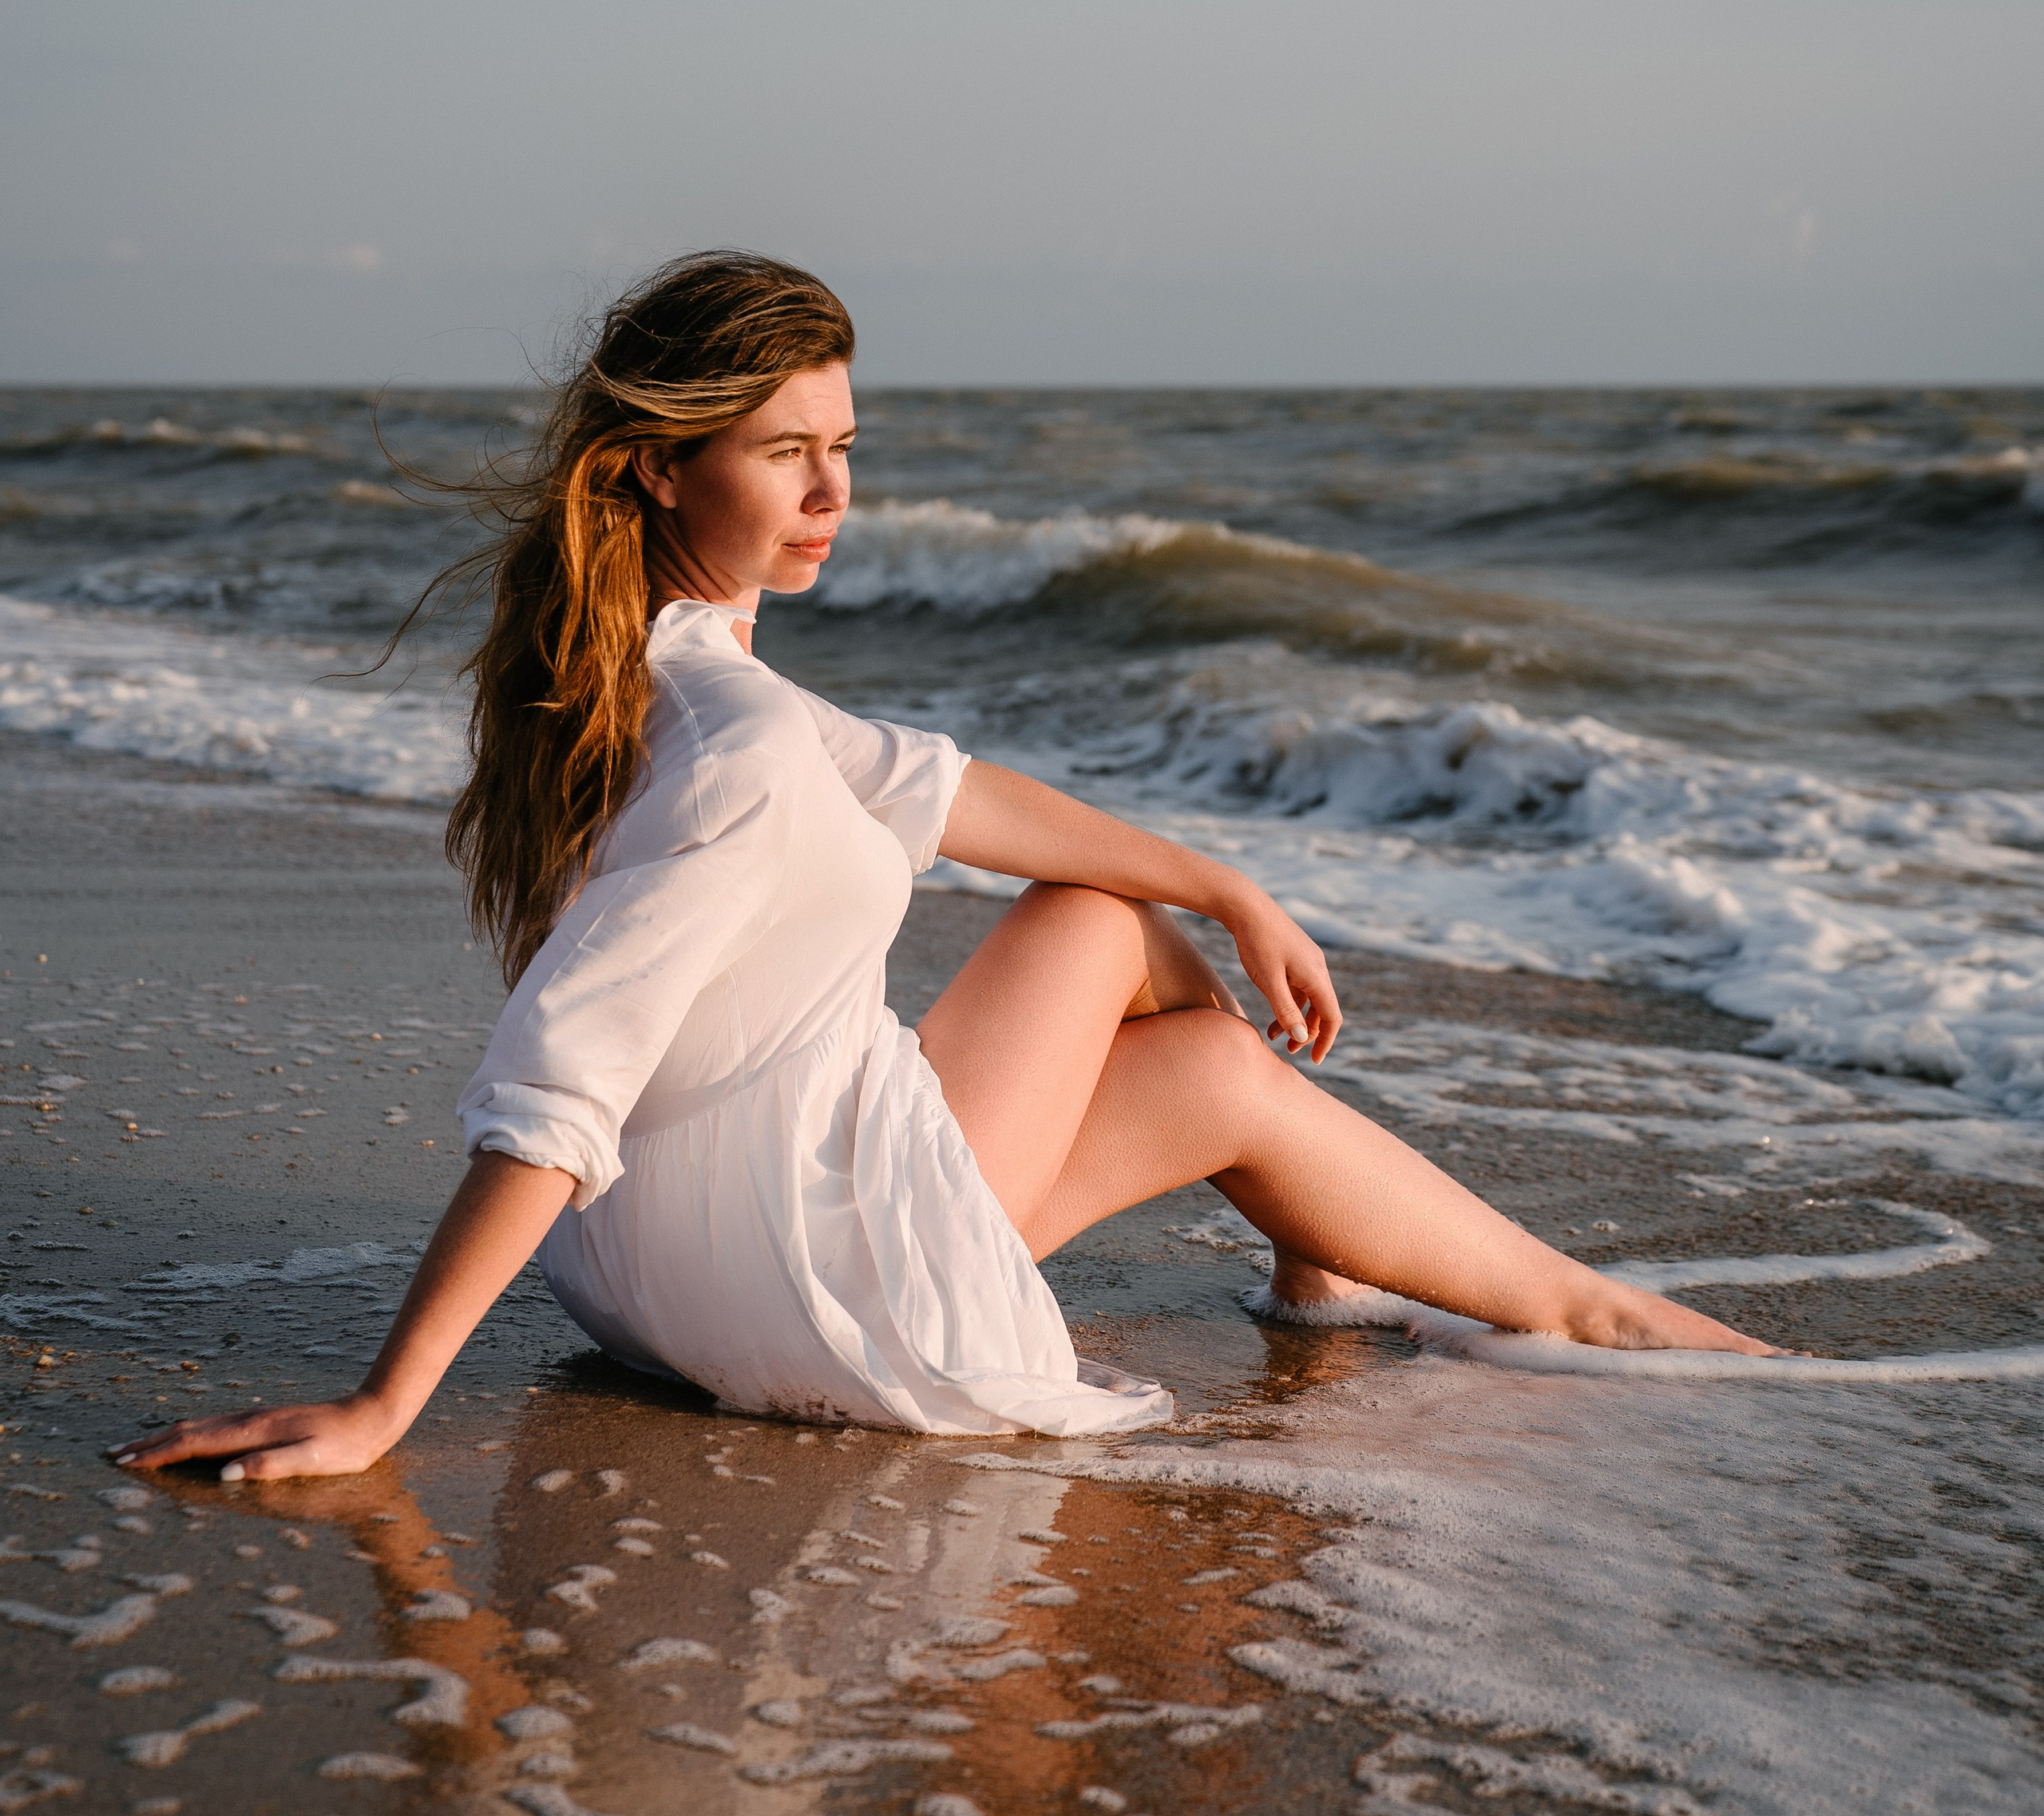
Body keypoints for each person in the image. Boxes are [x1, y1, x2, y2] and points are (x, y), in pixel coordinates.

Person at [112, 251, 1768, 1485]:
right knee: (1216, 1074)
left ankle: (1319, 1264)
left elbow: (948, 790)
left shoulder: (664, 673)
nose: (834, 492)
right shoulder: (740, 750)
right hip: (804, 1295)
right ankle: (1579, 1313)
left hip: (667, 1268)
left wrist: (1221, 885)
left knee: (1104, 913)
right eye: (783, 453)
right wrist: (388, 1404)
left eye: (846, 445)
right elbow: (560, 1080)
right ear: (655, 465)